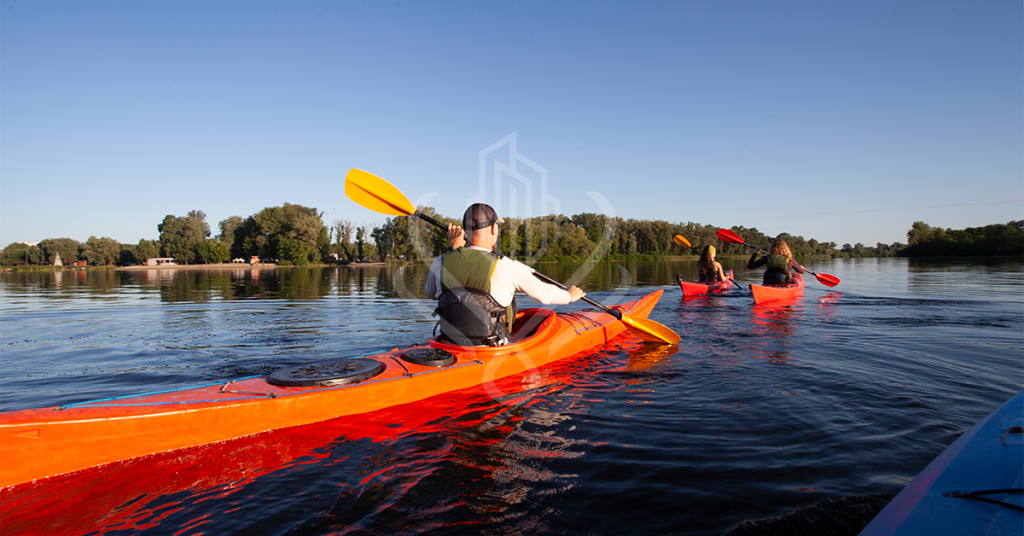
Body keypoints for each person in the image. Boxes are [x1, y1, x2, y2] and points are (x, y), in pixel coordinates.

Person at [425, 203, 586, 346]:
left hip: (448, 345)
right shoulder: (508, 266)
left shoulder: (440, 262)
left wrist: (453, 251)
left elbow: (431, 293)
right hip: (491, 349)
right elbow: (544, 295)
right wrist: (568, 296)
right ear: (494, 228)